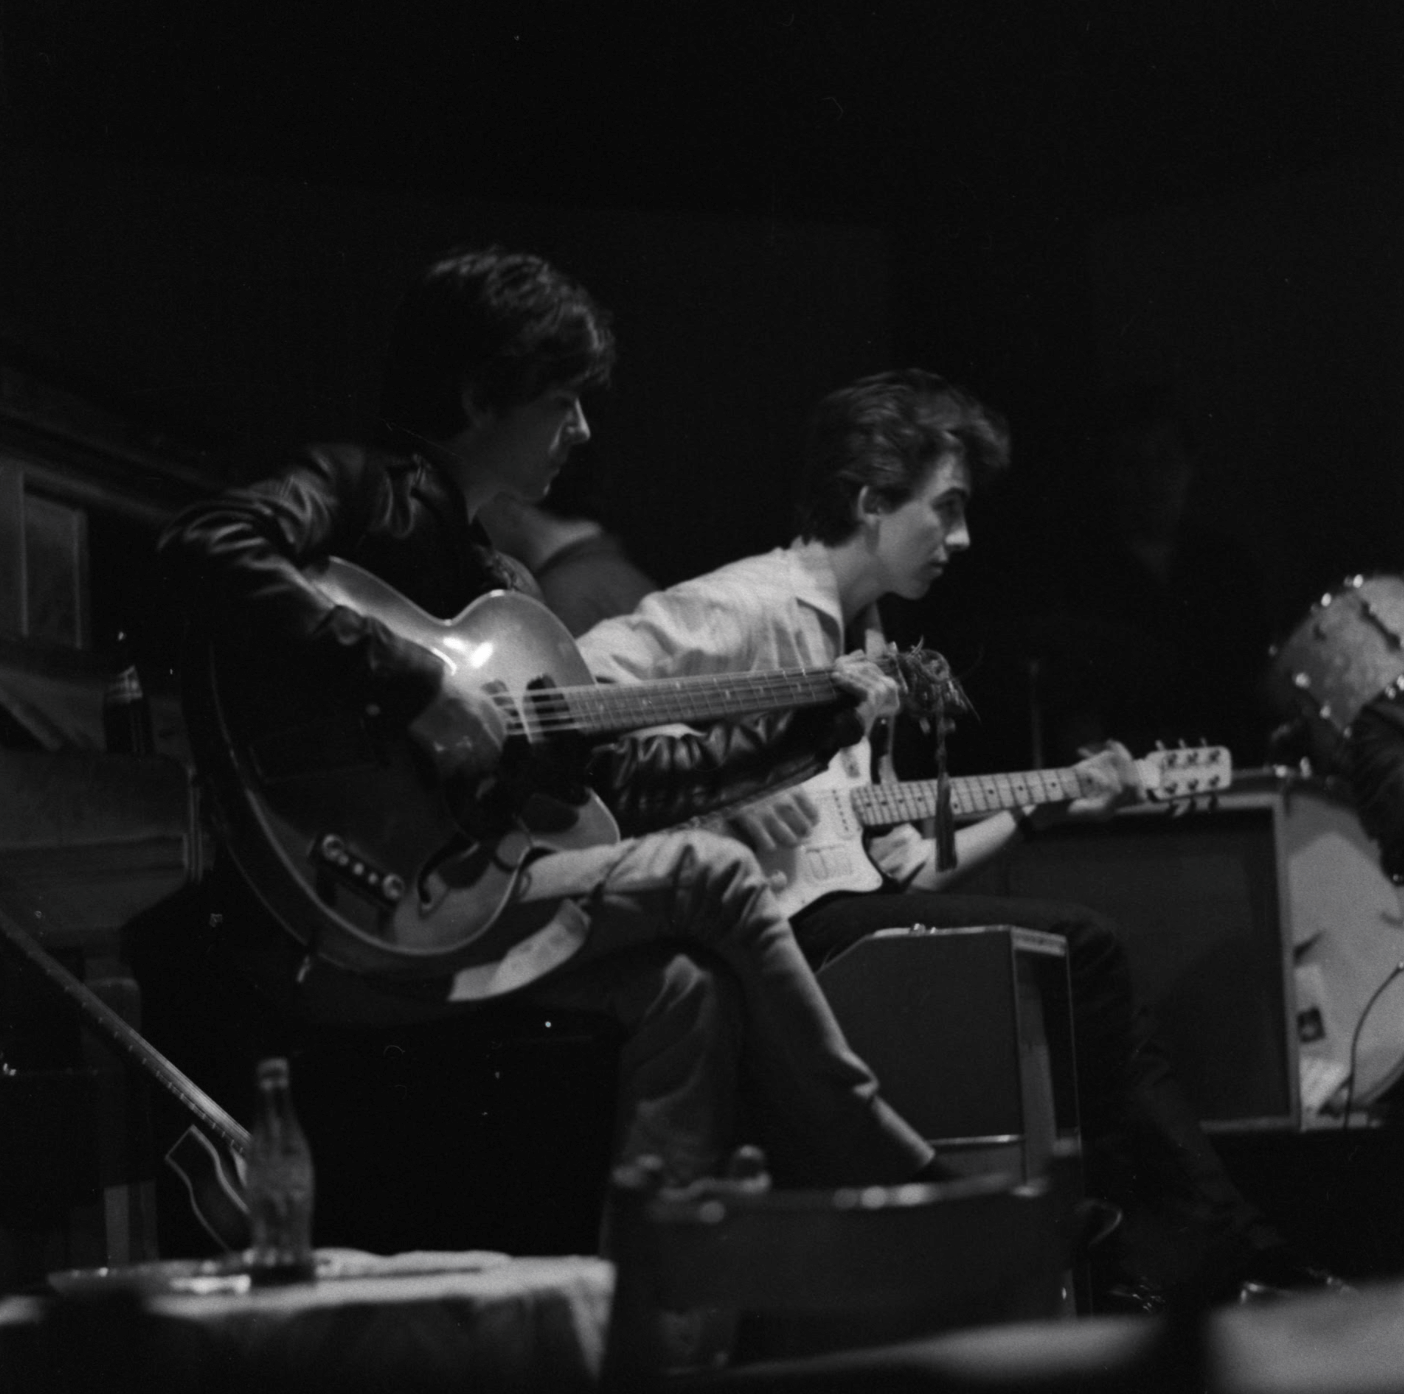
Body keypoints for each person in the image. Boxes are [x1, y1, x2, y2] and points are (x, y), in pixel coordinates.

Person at [154, 250, 944, 1257]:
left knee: (684, 994)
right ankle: (885, 1162)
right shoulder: (356, 490)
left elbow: (615, 783)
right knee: (713, 866)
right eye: (563, 399)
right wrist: (413, 681)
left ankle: (646, 1315)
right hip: (332, 908)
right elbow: (205, 542)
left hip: (454, 910)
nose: (583, 430)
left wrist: (815, 728)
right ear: (483, 394)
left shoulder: (505, 584)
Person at [577, 368, 1344, 1309]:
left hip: (842, 920)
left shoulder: (866, 639)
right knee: (1088, 950)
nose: (963, 537)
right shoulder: (748, 605)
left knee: (1071, 964)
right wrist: (713, 784)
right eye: (946, 509)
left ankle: (1158, 1251)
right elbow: (572, 692)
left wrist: (1042, 804)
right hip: (766, 940)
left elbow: (897, 868)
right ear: (870, 501)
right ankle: (1207, 1244)